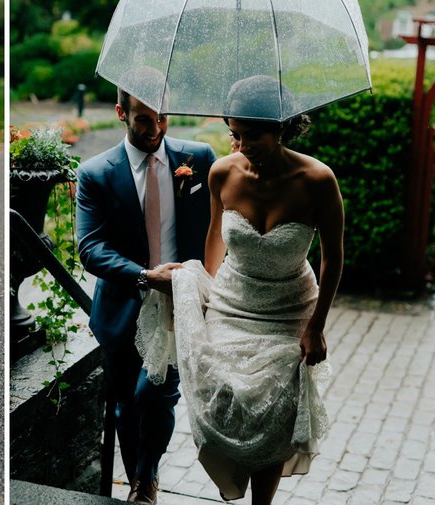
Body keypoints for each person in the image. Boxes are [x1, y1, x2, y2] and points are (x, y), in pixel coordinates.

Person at [136, 75, 344, 504]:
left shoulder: (318, 180)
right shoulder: (221, 173)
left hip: (290, 311)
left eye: (253, 136)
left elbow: (334, 257)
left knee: (274, 410)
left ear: (281, 128)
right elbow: (215, 237)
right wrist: (202, 294)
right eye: (235, 133)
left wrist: (316, 327)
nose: (242, 144)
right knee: (228, 402)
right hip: (233, 304)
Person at [76, 86, 217, 505]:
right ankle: (140, 478)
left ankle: (144, 480)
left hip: (180, 305)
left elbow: (222, 221)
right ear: (121, 112)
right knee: (124, 404)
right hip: (124, 305)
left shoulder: (199, 159)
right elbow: (91, 247)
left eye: (162, 117)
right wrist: (143, 275)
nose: (155, 128)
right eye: (142, 118)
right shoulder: (96, 173)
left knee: (155, 394)